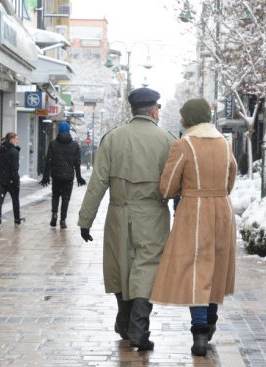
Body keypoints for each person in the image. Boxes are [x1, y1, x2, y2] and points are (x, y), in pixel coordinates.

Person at [78, 87, 175, 351]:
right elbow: (175, 183)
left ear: (132, 109)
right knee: (147, 266)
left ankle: (124, 319)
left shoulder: (112, 139)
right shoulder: (167, 140)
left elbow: (97, 182)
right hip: (153, 214)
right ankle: (138, 327)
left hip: (118, 212)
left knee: (121, 265)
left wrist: (85, 219)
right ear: (154, 110)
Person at [150, 99, 238, 357]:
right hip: (222, 210)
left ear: (188, 120)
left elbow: (166, 188)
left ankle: (199, 330)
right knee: (217, 267)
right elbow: (230, 179)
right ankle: (211, 320)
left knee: (196, 269)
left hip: (194, 211)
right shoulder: (224, 144)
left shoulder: (183, 145)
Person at [41, 121, 86, 229]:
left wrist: (46, 176)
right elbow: (77, 163)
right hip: (68, 177)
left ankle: (54, 214)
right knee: (66, 199)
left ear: (59, 131)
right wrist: (79, 177)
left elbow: (49, 161)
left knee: (55, 196)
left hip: (56, 175)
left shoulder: (53, 144)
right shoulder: (75, 145)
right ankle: (62, 220)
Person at [0, 132, 24, 230]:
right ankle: (17, 219)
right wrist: (16, 181)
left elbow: (0, 163)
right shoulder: (14, 152)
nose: (18, 141)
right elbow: (14, 169)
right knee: (15, 200)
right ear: (11, 139)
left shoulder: (1, 149)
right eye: (16, 139)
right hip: (11, 180)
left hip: (1, 179)